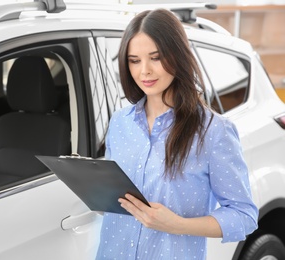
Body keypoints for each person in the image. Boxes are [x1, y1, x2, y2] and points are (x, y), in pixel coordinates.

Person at [95, 9, 258, 260]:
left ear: (177, 55)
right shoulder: (119, 123)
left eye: (156, 58)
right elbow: (113, 197)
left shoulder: (213, 132)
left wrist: (177, 225)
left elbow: (244, 216)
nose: (144, 71)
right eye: (134, 60)